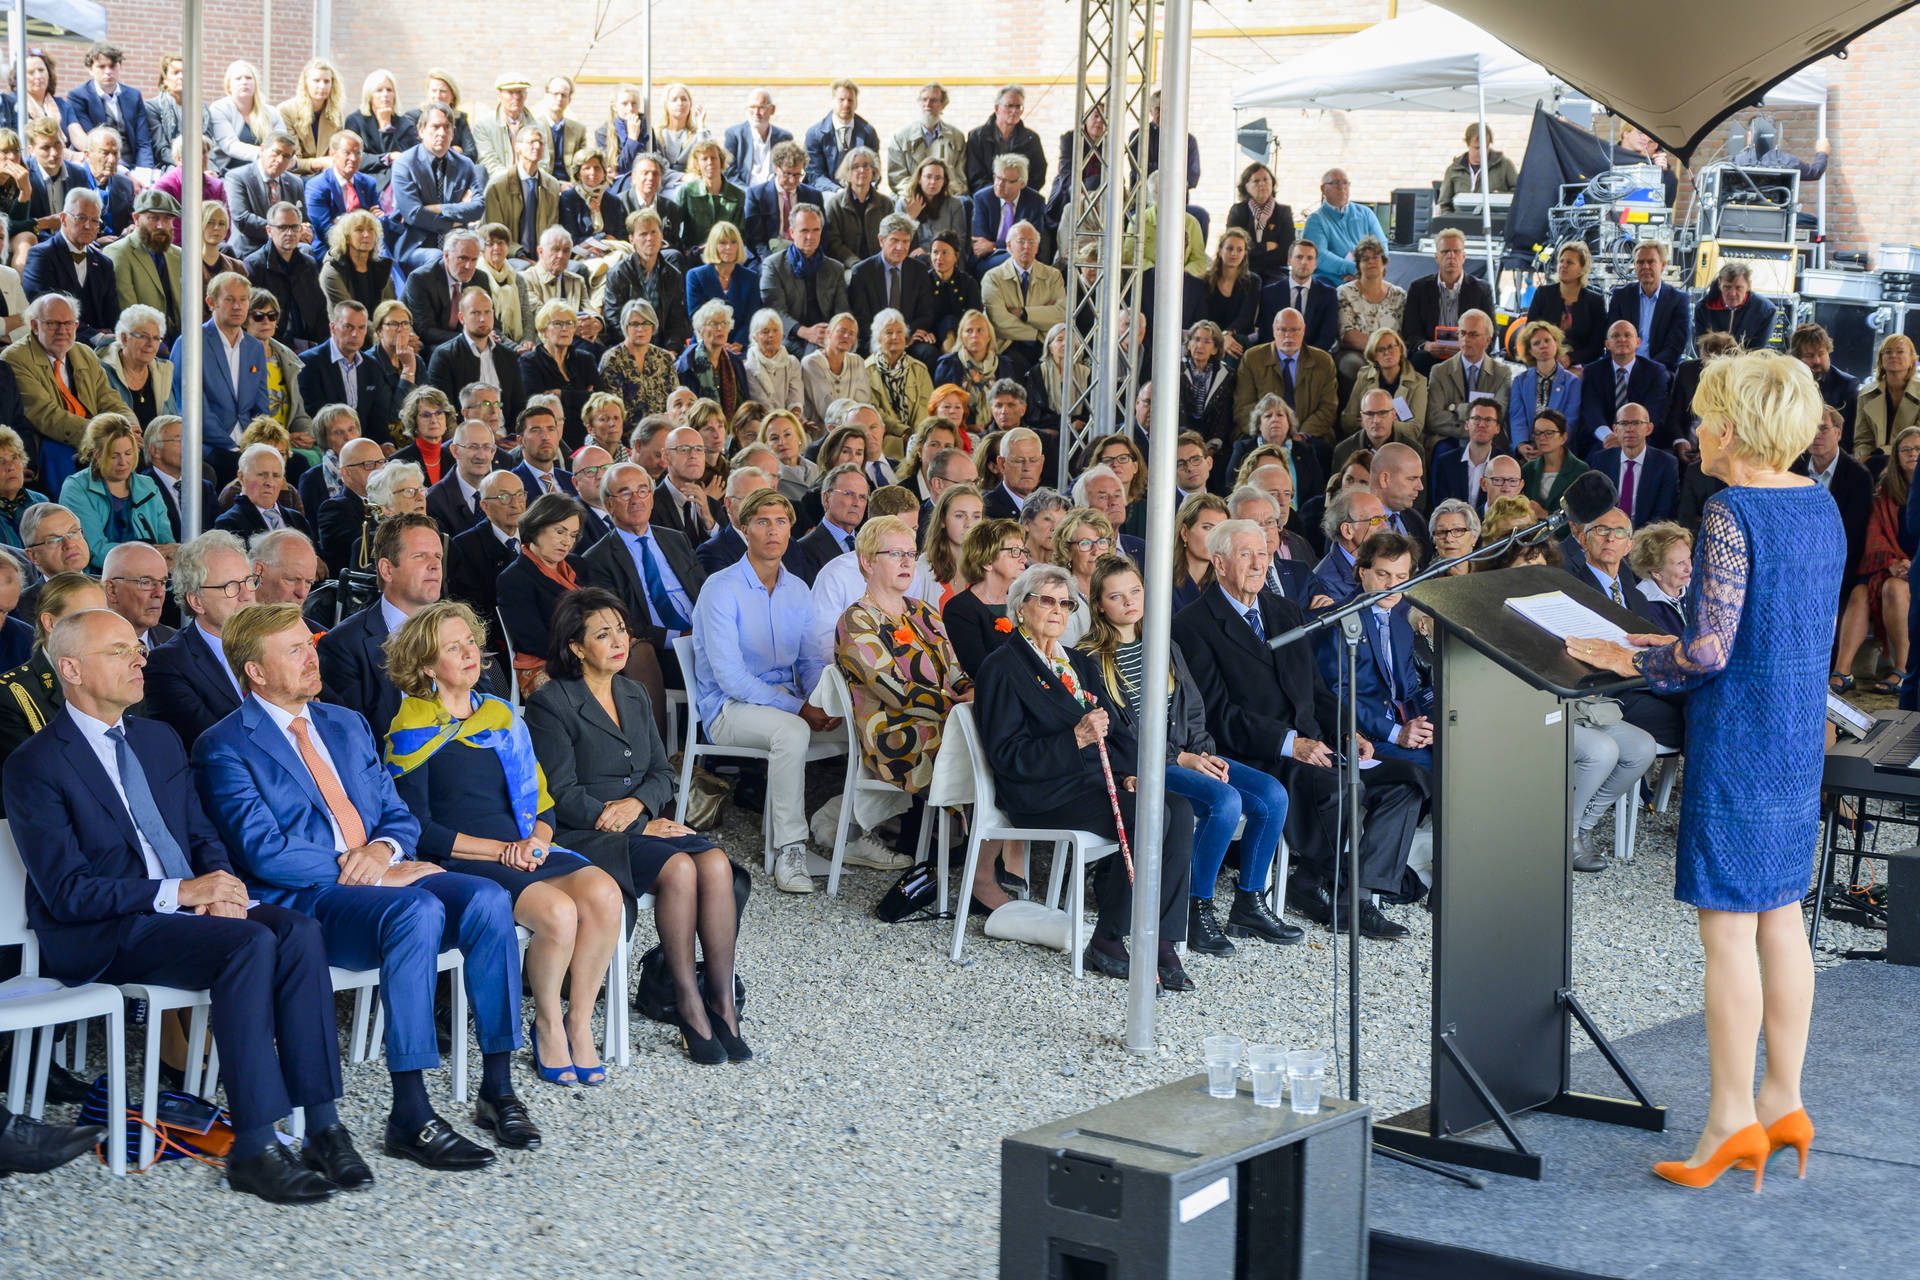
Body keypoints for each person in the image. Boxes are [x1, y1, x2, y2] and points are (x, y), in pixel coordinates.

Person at [1569, 350, 1843, 1188]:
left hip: (1738, 739)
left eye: (1703, 415)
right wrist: (1665, 643)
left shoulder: (1732, 511)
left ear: (1732, 425)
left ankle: (1729, 1122)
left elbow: (1715, 650)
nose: (1693, 429)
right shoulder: (1818, 505)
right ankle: (1783, 1101)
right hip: (1793, 735)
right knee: (1781, 917)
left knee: (1727, 930)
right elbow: (1762, 629)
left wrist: (1631, 661)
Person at [6, 606, 363, 1202]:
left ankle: (321, 1124)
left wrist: (219, 885)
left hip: (183, 914)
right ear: (70, 667)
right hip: (108, 930)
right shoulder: (35, 764)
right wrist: (182, 893)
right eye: (118, 650)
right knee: (251, 942)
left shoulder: (158, 737)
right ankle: (254, 1145)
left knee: (297, 930)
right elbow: (67, 892)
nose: (139, 657)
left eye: (136, 647)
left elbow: (201, 836)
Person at [192, 602, 530, 1164]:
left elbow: (399, 817)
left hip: (378, 873)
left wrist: (381, 851)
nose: (312, 656)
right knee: (415, 911)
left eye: (310, 643)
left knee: (488, 898)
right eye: (295, 649)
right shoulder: (225, 744)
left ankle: (497, 1087)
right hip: (311, 899)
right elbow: (265, 852)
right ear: (255, 671)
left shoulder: (344, 723)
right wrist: (366, 869)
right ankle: (412, 1113)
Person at [382, 599, 623, 1087]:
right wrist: (501, 852)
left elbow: (543, 800)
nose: (471, 653)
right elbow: (418, 828)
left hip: (523, 847)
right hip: (461, 860)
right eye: (454, 648)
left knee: (605, 893)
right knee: (558, 912)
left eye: (471, 642)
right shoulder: (410, 728)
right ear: (427, 665)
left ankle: (578, 1021)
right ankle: (549, 1023)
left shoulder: (501, 715)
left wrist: (538, 838)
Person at [526, 589, 748, 1065]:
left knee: (715, 864)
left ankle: (722, 1004)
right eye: (602, 634)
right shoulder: (551, 703)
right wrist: (628, 820)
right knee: (681, 870)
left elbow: (662, 773)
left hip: (637, 820)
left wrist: (639, 809)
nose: (618, 641)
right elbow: (559, 793)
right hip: (586, 833)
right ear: (576, 647)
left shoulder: (632, 691)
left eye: (621, 630)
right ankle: (688, 1006)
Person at [1175, 519, 1426, 936]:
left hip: (1318, 745)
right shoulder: (1193, 625)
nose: (1258, 563)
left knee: (1409, 781)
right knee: (1336, 787)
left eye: (1263, 553)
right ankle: (1333, 887)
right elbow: (1217, 714)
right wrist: (1292, 744)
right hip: (1260, 754)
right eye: (1245, 554)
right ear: (1218, 563)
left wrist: (1348, 731)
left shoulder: (1284, 611)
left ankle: (1352, 890)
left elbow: (1316, 690)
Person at [975, 561, 1194, 983]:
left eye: (1066, 603)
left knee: (1179, 810)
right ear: (1021, 608)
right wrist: (1074, 739)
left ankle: (1162, 939)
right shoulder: (1002, 667)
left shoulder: (1078, 662)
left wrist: (1130, 772)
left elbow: (1113, 729)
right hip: (1041, 793)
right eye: (1047, 601)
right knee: (1149, 816)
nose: (1058, 610)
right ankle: (1109, 937)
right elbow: (1008, 756)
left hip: (1092, 781)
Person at [1081, 553, 1298, 952]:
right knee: (1225, 801)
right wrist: (1180, 759)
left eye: (1135, 591)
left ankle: (1249, 902)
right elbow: (1122, 733)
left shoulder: (1162, 643)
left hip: (1187, 752)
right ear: (1099, 604)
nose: (1130, 602)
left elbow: (1193, 706)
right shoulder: (1092, 659)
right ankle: (1194, 908)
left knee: (1272, 795)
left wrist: (1201, 752)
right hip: (1145, 764)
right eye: (1116, 596)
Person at [689, 488, 839, 892]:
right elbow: (731, 678)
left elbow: (809, 661)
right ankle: (790, 848)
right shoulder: (721, 588)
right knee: (792, 731)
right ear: (744, 529)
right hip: (728, 709)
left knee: (864, 727)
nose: (773, 530)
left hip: (784, 701)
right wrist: (798, 708)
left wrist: (817, 701)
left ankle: (846, 829)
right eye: (762, 522)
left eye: (782, 521)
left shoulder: (798, 589)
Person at [7, 292, 132, 493]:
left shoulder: (84, 352)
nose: (62, 330)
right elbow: (46, 416)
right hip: (50, 443)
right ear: (34, 325)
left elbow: (109, 399)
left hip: (97, 438)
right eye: (52, 324)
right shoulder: (15, 358)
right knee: (58, 451)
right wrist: (102, 435)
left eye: (68, 323)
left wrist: (128, 425)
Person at [1841, 426, 1920, 694]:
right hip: (1888, 566)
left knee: (1894, 589)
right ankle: (1843, 671)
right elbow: (1876, 535)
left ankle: (1904, 669)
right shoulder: (1885, 490)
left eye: (1918, 449)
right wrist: (1891, 562)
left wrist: (1912, 565)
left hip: (1914, 569)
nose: (1913, 454)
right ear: (1896, 456)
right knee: (1860, 592)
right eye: (1906, 449)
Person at [57, 412, 170, 571]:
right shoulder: (76, 488)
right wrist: (147, 560)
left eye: (128, 453)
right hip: (97, 580)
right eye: (114, 456)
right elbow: (94, 550)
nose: (123, 462)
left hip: (150, 574)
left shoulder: (148, 485)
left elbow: (167, 542)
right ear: (97, 454)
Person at [390, 103, 485, 278]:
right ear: (421, 131)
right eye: (435, 126)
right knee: (439, 259)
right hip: (416, 245)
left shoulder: (465, 164)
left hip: (457, 245)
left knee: (481, 270)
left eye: (447, 127)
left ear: (453, 133)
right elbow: (413, 214)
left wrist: (439, 208)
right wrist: (453, 221)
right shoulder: (404, 164)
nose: (441, 132)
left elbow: (478, 208)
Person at [1233, 308, 1338, 445]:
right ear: (1273, 330)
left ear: (1304, 330)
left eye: (1294, 330)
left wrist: (1303, 434)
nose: (1288, 336)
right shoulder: (1252, 358)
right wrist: (1270, 432)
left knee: (1320, 449)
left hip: (1307, 434)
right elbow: (1243, 406)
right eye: (1282, 330)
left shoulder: (1323, 361)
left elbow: (1328, 408)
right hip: (1263, 433)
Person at [1578, 320, 1672, 459]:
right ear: (1607, 344)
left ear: (1638, 342)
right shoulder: (1592, 371)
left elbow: (1654, 410)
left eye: (1628, 335)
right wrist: (1608, 436)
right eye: (1615, 336)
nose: (1622, 339)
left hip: (1644, 438)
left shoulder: (1655, 371)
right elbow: (1592, 410)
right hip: (1604, 439)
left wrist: (1627, 437)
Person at [1605, 242, 1691, 372]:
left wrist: (1645, 369)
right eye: (1640, 262)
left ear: (1662, 265)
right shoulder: (1621, 296)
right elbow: (1612, 337)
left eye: (1651, 262)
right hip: (1623, 365)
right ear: (1634, 266)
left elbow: (1675, 347)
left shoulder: (1678, 300)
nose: (1645, 266)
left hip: (1659, 369)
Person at [1591, 403, 1680, 526]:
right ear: (1615, 429)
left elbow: (1663, 513)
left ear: (1649, 428)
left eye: (1637, 423)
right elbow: (1597, 507)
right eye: (1624, 423)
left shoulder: (1666, 464)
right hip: (1608, 532)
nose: (1630, 429)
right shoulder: (1601, 460)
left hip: (1647, 537)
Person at [1523, 241, 1607, 370]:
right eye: (1561, 261)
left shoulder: (1595, 301)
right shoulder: (1543, 294)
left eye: (1570, 262)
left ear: (1582, 270)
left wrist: (1571, 358)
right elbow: (1530, 332)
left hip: (1580, 366)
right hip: (1543, 362)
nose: (1563, 265)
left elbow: (1596, 346)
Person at [1507, 320, 1582, 454]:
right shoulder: (1519, 381)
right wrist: (1521, 445)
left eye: (1547, 340)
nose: (1543, 345)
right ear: (1530, 350)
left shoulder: (1573, 382)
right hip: (1528, 451)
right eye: (1536, 343)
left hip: (1560, 452)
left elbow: (1571, 421)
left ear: (1556, 344)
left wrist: (1548, 447)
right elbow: (1517, 417)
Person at [344, 69, 419, 193]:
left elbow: (409, 159)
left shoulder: (406, 124)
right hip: (365, 180)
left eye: (389, 90)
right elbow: (355, 158)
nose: (385, 94)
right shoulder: (355, 120)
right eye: (379, 90)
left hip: (398, 181)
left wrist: (386, 128)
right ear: (370, 96)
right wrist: (387, 158)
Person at [962, 85, 1047, 196]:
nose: (1014, 111)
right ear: (997, 108)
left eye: (1018, 107)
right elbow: (975, 176)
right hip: (986, 199)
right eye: (1009, 106)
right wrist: (998, 194)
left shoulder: (1031, 139)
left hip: (1020, 200)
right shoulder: (977, 137)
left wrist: (1016, 195)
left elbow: (1038, 175)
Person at [885, 81, 966, 196]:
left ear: (943, 105)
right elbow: (897, 178)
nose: (928, 104)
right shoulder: (900, 137)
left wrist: (942, 194)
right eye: (924, 100)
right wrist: (919, 193)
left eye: (933, 100)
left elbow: (960, 177)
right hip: (911, 195)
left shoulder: (956, 137)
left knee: (964, 202)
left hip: (946, 196)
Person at [1853, 332, 1920, 463]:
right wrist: (1864, 457)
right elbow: (1862, 438)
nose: (1893, 356)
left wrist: (1881, 453)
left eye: (1900, 352)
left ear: (1912, 360)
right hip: (1874, 460)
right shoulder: (1865, 393)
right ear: (1881, 359)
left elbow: (1917, 439)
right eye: (1888, 352)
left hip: (1913, 460)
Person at [1225, 161, 1294, 284]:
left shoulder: (1284, 212)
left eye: (1266, 180)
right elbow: (1235, 248)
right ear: (1246, 186)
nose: (1262, 184)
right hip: (1243, 270)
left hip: (1276, 271)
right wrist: (1265, 247)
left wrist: (1253, 251)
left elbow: (1286, 251)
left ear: (1272, 183)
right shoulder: (1238, 211)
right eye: (1256, 181)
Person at [1693, 262, 1777, 353]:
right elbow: (1701, 348)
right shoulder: (1703, 308)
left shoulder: (1766, 311)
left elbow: (1757, 351)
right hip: (1711, 363)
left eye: (1738, 288)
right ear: (1719, 284)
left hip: (1748, 364)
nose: (1732, 293)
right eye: (1727, 287)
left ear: (1748, 285)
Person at [1628, 522, 1693, 637]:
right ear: (1656, 573)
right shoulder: (1640, 605)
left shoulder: (1700, 589)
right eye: (1680, 563)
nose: (1689, 568)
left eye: (1688, 558)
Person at [1435, 122, 1517, 212]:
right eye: (1477, 148)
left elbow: (1519, 195)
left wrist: (1499, 196)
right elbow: (1444, 204)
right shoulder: (1454, 169)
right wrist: (1451, 221)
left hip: (1495, 222)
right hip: (1460, 222)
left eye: (1485, 147)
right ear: (1468, 144)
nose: (1481, 152)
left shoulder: (1504, 165)